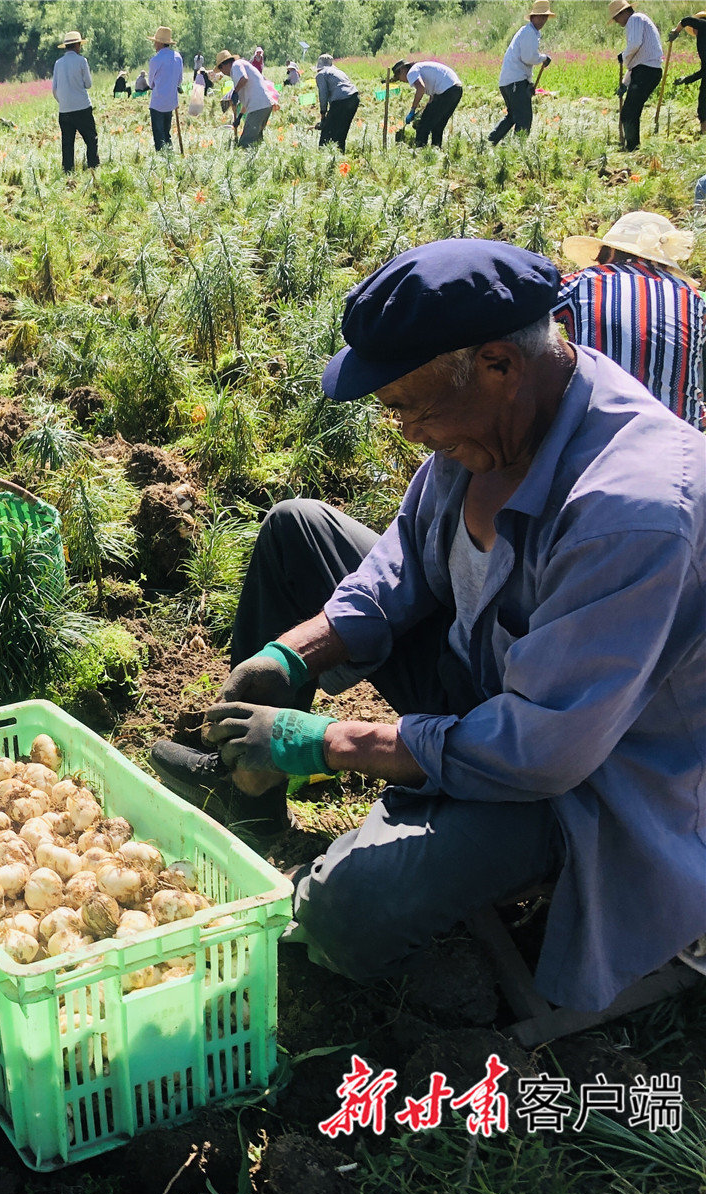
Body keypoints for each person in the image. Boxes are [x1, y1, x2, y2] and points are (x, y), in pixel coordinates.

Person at [151, 238, 706, 1016]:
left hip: (582, 785)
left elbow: (542, 751)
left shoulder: (632, 512)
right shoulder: (490, 425)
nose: (407, 431)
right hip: (485, 679)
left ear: (498, 365)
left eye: (411, 406)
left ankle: (380, 868)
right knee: (296, 530)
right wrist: (295, 652)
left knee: (348, 915)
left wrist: (331, 742)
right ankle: (250, 787)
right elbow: (405, 564)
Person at [552, 212, 705, 429]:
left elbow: (528, 311)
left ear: (611, 251)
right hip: (684, 437)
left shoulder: (585, 281)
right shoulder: (693, 298)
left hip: (601, 433)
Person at [491, 0, 555, 143]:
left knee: (513, 116)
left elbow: (525, 60)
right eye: (540, 16)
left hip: (510, 81)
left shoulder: (530, 32)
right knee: (524, 119)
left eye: (545, 17)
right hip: (515, 82)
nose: (543, 20)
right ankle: (517, 150)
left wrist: (530, 84)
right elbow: (528, 58)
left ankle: (490, 142)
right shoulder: (528, 33)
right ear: (533, 17)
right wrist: (544, 58)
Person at [612, 0, 664, 151]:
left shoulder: (635, 19)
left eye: (616, 17)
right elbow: (637, 61)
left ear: (624, 13)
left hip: (646, 72)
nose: (616, 21)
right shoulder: (640, 20)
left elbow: (634, 45)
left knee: (628, 113)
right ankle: (633, 146)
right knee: (632, 112)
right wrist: (625, 83)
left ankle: (632, 148)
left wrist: (623, 55)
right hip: (646, 71)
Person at [390, 58, 465, 147]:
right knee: (438, 126)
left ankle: (419, 151)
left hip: (446, 91)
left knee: (423, 126)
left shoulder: (412, 72)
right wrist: (423, 111)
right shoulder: (420, 68)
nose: (401, 80)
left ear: (402, 70)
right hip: (456, 90)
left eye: (399, 77)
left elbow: (421, 88)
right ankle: (435, 151)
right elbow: (432, 97)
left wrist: (412, 110)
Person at [52, 31, 99, 172]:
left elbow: (54, 89)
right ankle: (93, 167)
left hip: (64, 109)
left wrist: (63, 102)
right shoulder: (81, 61)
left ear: (66, 46)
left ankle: (68, 171)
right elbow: (88, 84)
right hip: (82, 107)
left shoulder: (58, 63)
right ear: (77, 45)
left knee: (67, 143)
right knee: (91, 139)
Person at [213, 49, 272, 147]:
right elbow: (247, 99)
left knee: (245, 143)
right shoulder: (240, 67)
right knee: (256, 141)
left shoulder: (236, 65)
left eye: (221, 69)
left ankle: (245, 160)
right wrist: (239, 117)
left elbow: (244, 79)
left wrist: (235, 92)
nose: (223, 73)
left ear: (224, 65)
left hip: (257, 107)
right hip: (264, 105)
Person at [147, 26, 184, 151]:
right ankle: (169, 156)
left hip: (157, 102)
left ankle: (162, 159)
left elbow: (150, 83)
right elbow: (179, 80)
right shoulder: (178, 57)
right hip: (171, 102)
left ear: (159, 43)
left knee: (159, 135)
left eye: (155, 42)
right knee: (166, 133)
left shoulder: (155, 60)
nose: (154, 45)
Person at [316, 54, 362, 151]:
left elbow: (323, 95)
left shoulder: (321, 74)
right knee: (342, 128)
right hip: (354, 98)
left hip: (342, 101)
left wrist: (323, 114)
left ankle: (324, 153)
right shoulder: (338, 72)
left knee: (327, 132)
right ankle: (340, 152)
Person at [671, 11, 706, 135]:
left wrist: (676, 31)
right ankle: (704, 132)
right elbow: (704, 71)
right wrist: (686, 79)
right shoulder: (702, 37)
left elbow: (686, 20)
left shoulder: (704, 25)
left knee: (704, 103)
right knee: (703, 102)